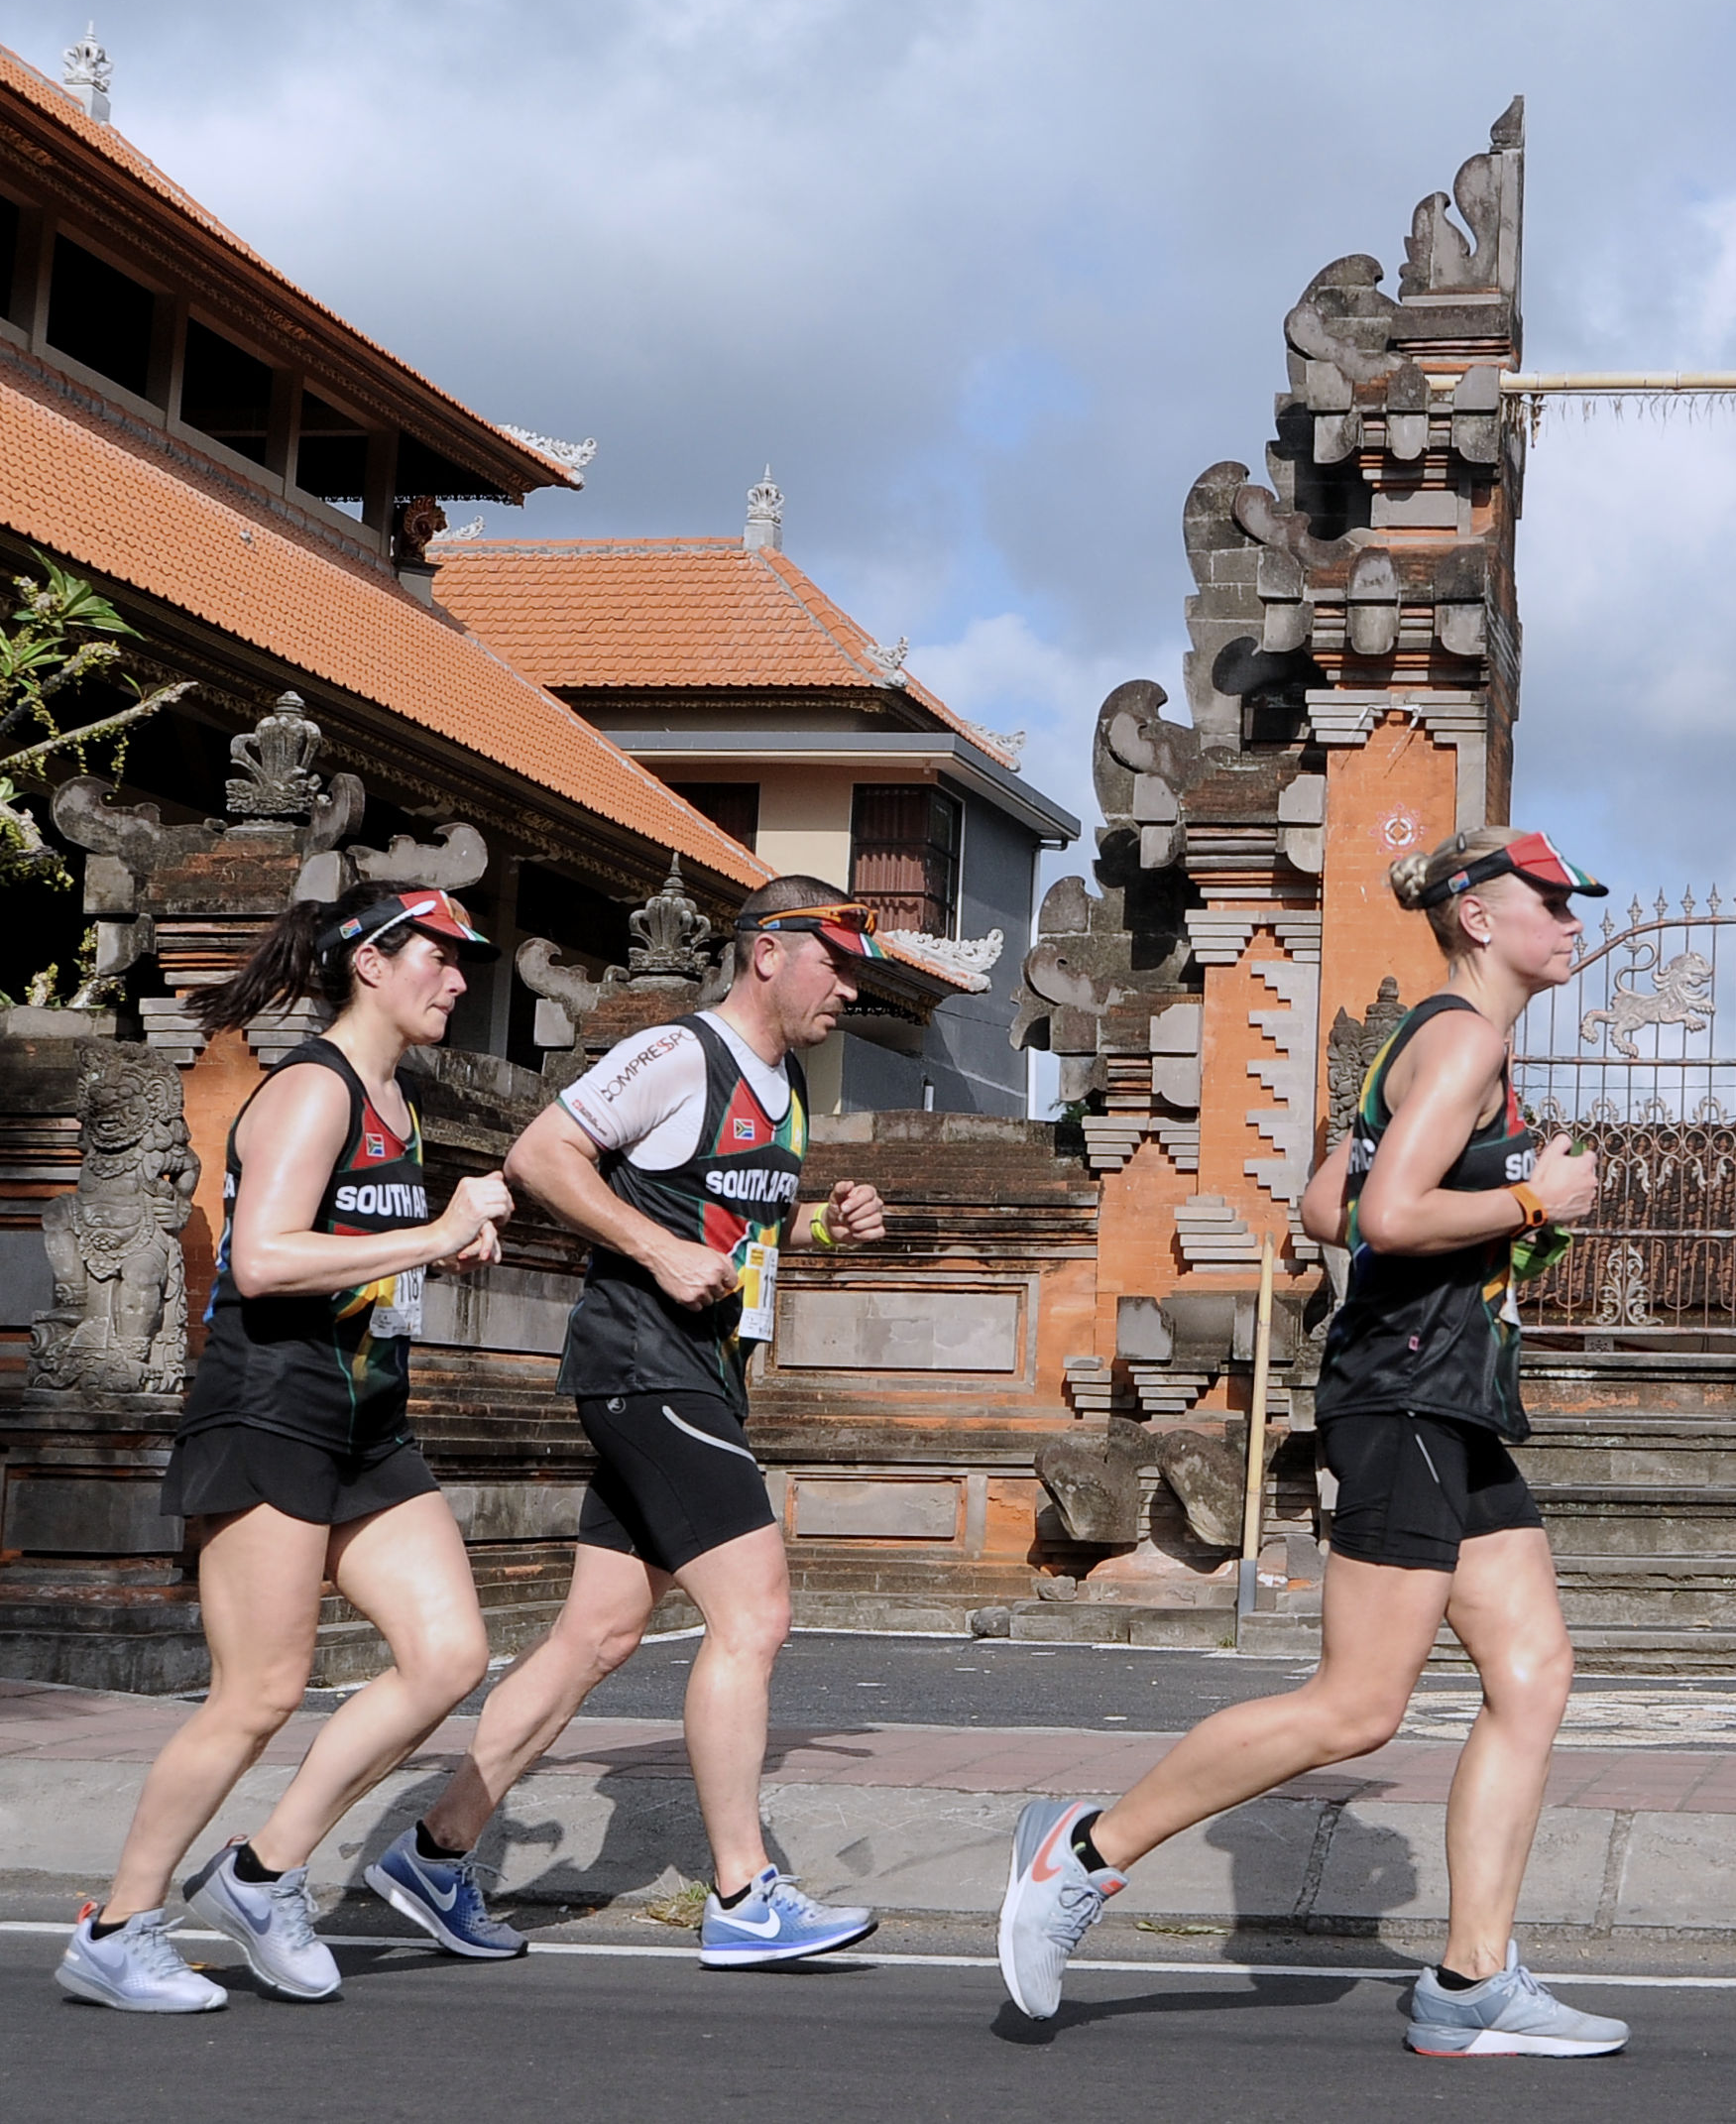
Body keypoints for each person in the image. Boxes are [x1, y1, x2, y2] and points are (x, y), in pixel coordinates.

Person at [997, 827, 1627, 2058]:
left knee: (1535, 1669)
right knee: (1356, 1708)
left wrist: (1501, 1219)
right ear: (1479, 918)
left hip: (1450, 1401)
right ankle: (1081, 1851)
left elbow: (1327, 1204)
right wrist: (1538, 1202)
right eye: (1550, 899)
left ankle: (1470, 1980)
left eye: (1574, 900)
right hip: (1408, 1401)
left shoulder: (1416, 1040)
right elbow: (1388, 1216)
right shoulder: (1464, 1041)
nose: (1573, 918)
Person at [378, 878, 889, 1970]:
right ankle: (746, 1890)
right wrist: (655, 1252)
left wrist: (824, 1224)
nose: (849, 988)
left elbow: (725, 1220)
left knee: (598, 1633)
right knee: (755, 1616)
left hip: (699, 1367)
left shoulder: (786, 1083)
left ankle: (434, 1848)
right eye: (834, 963)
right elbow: (539, 1155)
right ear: (767, 952)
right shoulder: (675, 1055)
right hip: (644, 1365)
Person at [58, 885, 515, 2013]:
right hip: (268, 1405)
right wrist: (437, 1229)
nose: (460, 981)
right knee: (258, 1691)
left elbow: (355, 1250)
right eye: (441, 959)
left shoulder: (393, 1101)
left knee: (449, 1654)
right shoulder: (311, 1089)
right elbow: (259, 1262)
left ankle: (263, 1872)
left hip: (364, 1414)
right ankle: (119, 1923)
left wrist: (434, 1251)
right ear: (372, 963)